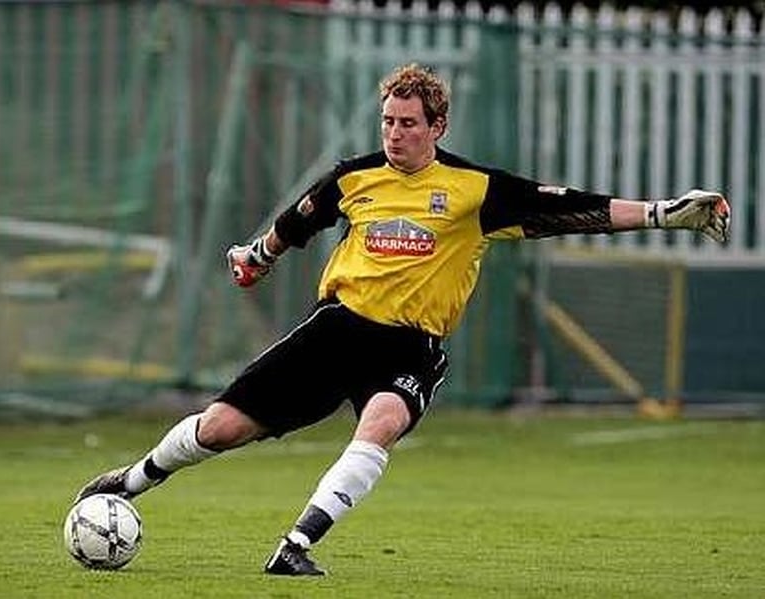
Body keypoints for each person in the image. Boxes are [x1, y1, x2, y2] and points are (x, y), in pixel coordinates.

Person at [74, 63, 730, 576]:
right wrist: (257, 257)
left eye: (409, 123)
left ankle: (295, 545)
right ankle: (130, 481)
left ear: (437, 126)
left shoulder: (476, 190)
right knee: (221, 428)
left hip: (410, 347)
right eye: (388, 121)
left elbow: (571, 207)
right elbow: (297, 222)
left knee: (382, 422)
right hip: (337, 329)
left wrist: (663, 213)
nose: (394, 133)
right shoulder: (354, 179)